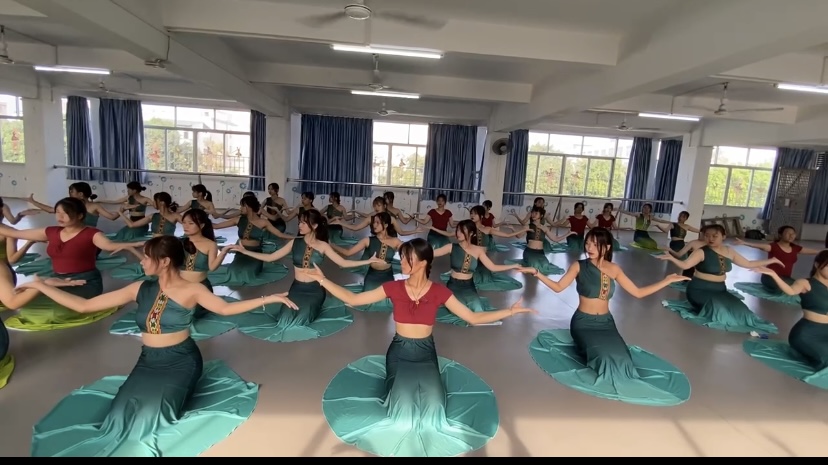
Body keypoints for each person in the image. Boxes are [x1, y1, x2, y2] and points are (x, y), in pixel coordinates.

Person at [21, 236, 284, 457]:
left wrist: (268, 298)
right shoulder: (139, 288)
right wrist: (41, 286)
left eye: (147, 257)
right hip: (148, 361)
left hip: (181, 361)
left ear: (165, 261)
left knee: (149, 421)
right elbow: (84, 306)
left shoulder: (192, 289)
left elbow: (225, 309)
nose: (142, 261)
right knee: (118, 417)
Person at [309, 238, 535, 457]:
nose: (401, 262)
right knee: (402, 418)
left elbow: (472, 317)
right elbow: (354, 299)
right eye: (402, 257)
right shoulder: (394, 287)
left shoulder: (438, 291)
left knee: (434, 413)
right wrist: (323, 280)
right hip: (400, 353)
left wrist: (509, 311)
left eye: (407, 258)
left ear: (423, 262)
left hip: (426, 354)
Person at [520, 227, 692, 406]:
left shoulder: (614, 269)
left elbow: (638, 292)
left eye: (595, 244)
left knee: (624, 361)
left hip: (606, 323)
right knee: (604, 360)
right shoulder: (579, 266)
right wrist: (537, 273)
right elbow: (558, 287)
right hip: (583, 323)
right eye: (588, 243)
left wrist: (666, 280)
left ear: (607, 247)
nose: (589, 247)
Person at [228, 209, 381, 342]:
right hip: (296, 288)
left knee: (301, 319)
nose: (299, 225)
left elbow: (344, 263)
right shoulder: (295, 242)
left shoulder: (323, 245)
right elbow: (270, 257)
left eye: (303, 223)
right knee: (284, 319)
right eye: (299, 222)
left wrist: (368, 261)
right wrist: (245, 251)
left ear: (314, 226)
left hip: (315, 290)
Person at [0, 197, 143, 331]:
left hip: (85, 282)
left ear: (80, 215)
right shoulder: (51, 231)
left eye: (66, 213)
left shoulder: (92, 233)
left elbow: (108, 245)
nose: (60, 217)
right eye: (58, 212)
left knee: (54, 312)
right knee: (29, 309)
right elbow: (16, 234)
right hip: (58, 279)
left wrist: (131, 244)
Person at [109, 209, 240, 340]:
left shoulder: (210, 244)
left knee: (187, 315)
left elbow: (212, 267)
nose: (186, 226)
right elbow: (157, 258)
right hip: (179, 286)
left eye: (190, 223)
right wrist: (130, 247)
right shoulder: (179, 242)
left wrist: (223, 252)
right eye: (184, 223)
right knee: (167, 313)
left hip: (200, 287)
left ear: (201, 225)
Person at [657, 224, 781, 334]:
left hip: (720, 290)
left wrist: (771, 260)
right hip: (699, 290)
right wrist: (672, 258)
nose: (710, 239)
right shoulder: (701, 252)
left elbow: (748, 263)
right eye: (707, 236)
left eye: (714, 236)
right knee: (719, 310)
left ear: (723, 236)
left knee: (742, 310)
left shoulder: (729, 251)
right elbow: (685, 265)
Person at [745, 252, 828, 389]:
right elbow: (790, 291)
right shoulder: (805, 283)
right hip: (807, 334)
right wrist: (773, 274)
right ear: (817, 264)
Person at [430, 220, 532, 326]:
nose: (458, 233)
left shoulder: (478, 250)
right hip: (453, 285)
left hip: (468, 286)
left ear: (471, 233)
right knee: (458, 312)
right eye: (458, 230)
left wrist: (513, 266)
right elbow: (432, 253)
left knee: (477, 311)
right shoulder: (451, 247)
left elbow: (492, 267)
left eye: (463, 230)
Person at [209, 196, 293, 287]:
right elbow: (216, 226)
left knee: (247, 273)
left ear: (248, 207)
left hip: (255, 254)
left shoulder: (263, 222)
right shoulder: (238, 220)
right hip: (241, 254)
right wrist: (202, 218)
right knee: (232, 272)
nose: (240, 209)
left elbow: (280, 235)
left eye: (242, 206)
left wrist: (297, 237)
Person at [330, 212, 402, 312]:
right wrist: (331, 245)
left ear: (385, 225)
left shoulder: (395, 241)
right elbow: (348, 252)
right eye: (374, 222)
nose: (374, 225)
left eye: (377, 222)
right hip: (372, 276)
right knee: (366, 301)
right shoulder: (368, 240)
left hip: (387, 276)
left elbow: (409, 252)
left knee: (389, 302)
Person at [731, 225, 821, 304]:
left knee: (798, 288)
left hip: (786, 278)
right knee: (783, 291)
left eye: (793, 233)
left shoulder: (795, 248)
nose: (791, 235)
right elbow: (760, 246)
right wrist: (745, 243)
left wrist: (824, 251)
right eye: (788, 233)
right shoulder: (773, 246)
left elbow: (813, 251)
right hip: (769, 277)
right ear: (780, 235)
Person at [505, 206, 573, 275]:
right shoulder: (528, 226)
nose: (533, 215)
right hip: (530, 252)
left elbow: (555, 239)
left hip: (540, 253)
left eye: (536, 213)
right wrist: (512, 228)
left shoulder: (544, 228)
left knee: (545, 265)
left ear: (541, 215)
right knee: (534, 265)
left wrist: (568, 234)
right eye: (533, 213)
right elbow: (519, 236)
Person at [27, 182, 120, 227]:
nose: (70, 194)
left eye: (72, 192)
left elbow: (112, 217)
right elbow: (51, 210)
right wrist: (33, 202)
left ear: (80, 194)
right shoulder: (71, 204)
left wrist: (122, 210)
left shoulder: (95, 206)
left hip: (89, 236)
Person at [655, 211, 699, 278]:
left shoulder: (687, 226)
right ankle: (670, 274)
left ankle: (680, 274)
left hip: (681, 244)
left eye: (683, 217)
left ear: (686, 219)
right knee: (673, 259)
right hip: (674, 244)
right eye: (680, 215)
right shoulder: (673, 224)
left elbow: (698, 231)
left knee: (682, 259)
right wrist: (658, 225)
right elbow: (665, 230)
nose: (680, 217)